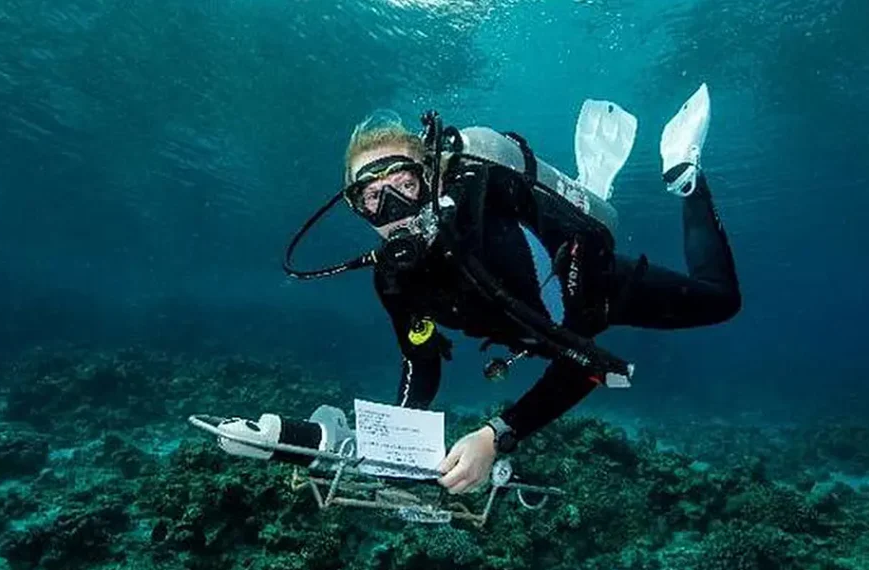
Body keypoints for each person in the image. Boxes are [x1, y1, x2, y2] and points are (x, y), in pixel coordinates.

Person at [288, 84, 740, 495]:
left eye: (405, 186)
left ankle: (686, 176)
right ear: (358, 210)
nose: (392, 209)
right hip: (540, 320)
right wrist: (394, 444)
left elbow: (584, 362)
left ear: (433, 180)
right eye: (372, 197)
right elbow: (421, 361)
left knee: (721, 300)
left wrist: (496, 436)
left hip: (596, 291)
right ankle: (591, 186)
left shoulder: (491, 240)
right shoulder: (393, 279)